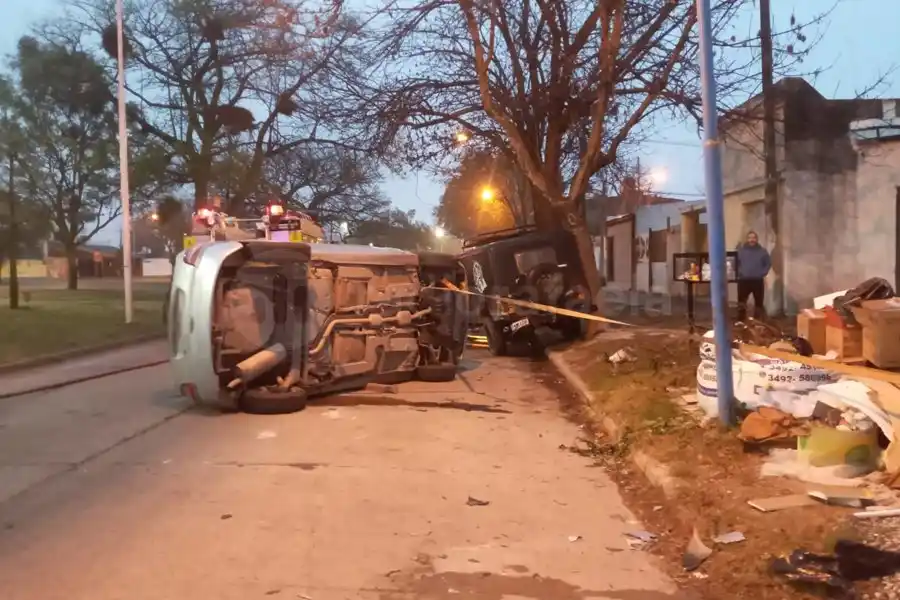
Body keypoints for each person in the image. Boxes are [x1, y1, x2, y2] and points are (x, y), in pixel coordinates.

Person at [736, 230, 771, 321]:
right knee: (741, 302)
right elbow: (735, 264)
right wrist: (740, 272)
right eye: (750, 238)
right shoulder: (741, 251)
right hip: (744, 280)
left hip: (757, 280)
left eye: (754, 238)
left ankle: (758, 321)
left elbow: (768, 263)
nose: (752, 240)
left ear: (757, 239)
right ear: (747, 239)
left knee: (759, 303)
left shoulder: (762, 251)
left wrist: (762, 273)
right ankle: (741, 321)